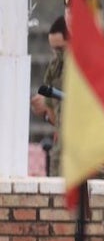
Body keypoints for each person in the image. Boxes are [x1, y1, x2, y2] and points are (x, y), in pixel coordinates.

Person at [30, 16, 68, 176]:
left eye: (60, 49)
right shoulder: (55, 67)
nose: (56, 54)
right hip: (61, 152)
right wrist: (45, 110)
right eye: (53, 49)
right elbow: (55, 119)